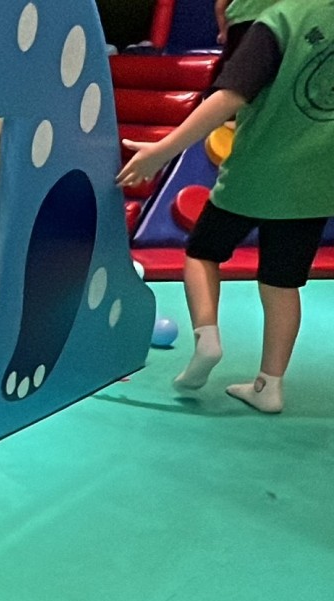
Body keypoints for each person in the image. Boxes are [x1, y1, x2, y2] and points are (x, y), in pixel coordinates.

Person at [119, 0, 334, 413]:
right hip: (315, 185)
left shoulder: (283, 19)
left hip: (256, 173)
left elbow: (228, 97)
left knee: (202, 252)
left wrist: (161, 151)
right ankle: (269, 385)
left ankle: (207, 339)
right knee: (282, 282)